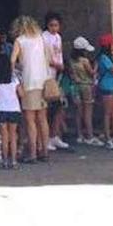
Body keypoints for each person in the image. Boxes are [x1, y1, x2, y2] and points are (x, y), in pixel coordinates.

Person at [10, 16, 52, 163]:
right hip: (43, 82)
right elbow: (49, 58)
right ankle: (45, 151)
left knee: (30, 121)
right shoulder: (42, 39)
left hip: (28, 82)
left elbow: (12, 61)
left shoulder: (20, 41)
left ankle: (32, 153)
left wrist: (16, 74)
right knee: (42, 119)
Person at [41, 12, 70, 151]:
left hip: (56, 75)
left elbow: (59, 54)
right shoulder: (43, 37)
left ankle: (55, 135)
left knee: (59, 106)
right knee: (46, 108)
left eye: (56, 25)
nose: (54, 28)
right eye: (51, 25)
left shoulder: (58, 37)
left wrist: (61, 65)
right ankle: (45, 138)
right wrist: (55, 64)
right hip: (46, 75)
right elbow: (44, 56)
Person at [0, 53, 23, 168]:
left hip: (1, 109)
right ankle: (13, 161)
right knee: (13, 136)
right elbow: (21, 93)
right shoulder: (15, 79)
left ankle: (4, 160)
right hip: (14, 108)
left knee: (4, 136)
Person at [69, 37, 100, 146]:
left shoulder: (72, 60)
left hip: (76, 86)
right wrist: (96, 66)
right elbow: (91, 73)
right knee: (88, 112)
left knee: (78, 112)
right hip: (86, 86)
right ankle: (90, 136)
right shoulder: (85, 61)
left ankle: (79, 135)